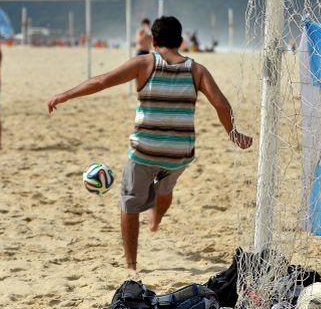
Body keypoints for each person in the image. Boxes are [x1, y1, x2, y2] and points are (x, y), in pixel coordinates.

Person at [47, 16, 252, 271]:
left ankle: (131, 265)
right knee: (165, 190)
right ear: (180, 41)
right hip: (179, 153)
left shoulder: (144, 62)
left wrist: (64, 95)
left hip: (145, 151)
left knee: (130, 201)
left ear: (153, 41)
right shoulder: (197, 70)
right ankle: (156, 216)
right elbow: (221, 104)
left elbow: (101, 81)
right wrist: (233, 133)